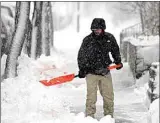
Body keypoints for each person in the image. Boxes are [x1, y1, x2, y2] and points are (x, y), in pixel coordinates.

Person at [77, 18, 123, 118]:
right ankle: (89, 117)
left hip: (105, 72)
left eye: (98, 29)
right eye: (94, 29)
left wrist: (118, 61)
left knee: (108, 96)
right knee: (91, 97)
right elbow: (81, 56)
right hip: (91, 73)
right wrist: (82, 69)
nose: (96, 31)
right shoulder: (87, 40)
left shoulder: (109, 38)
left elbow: (115, 50)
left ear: (103, 29)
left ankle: (109, 116)